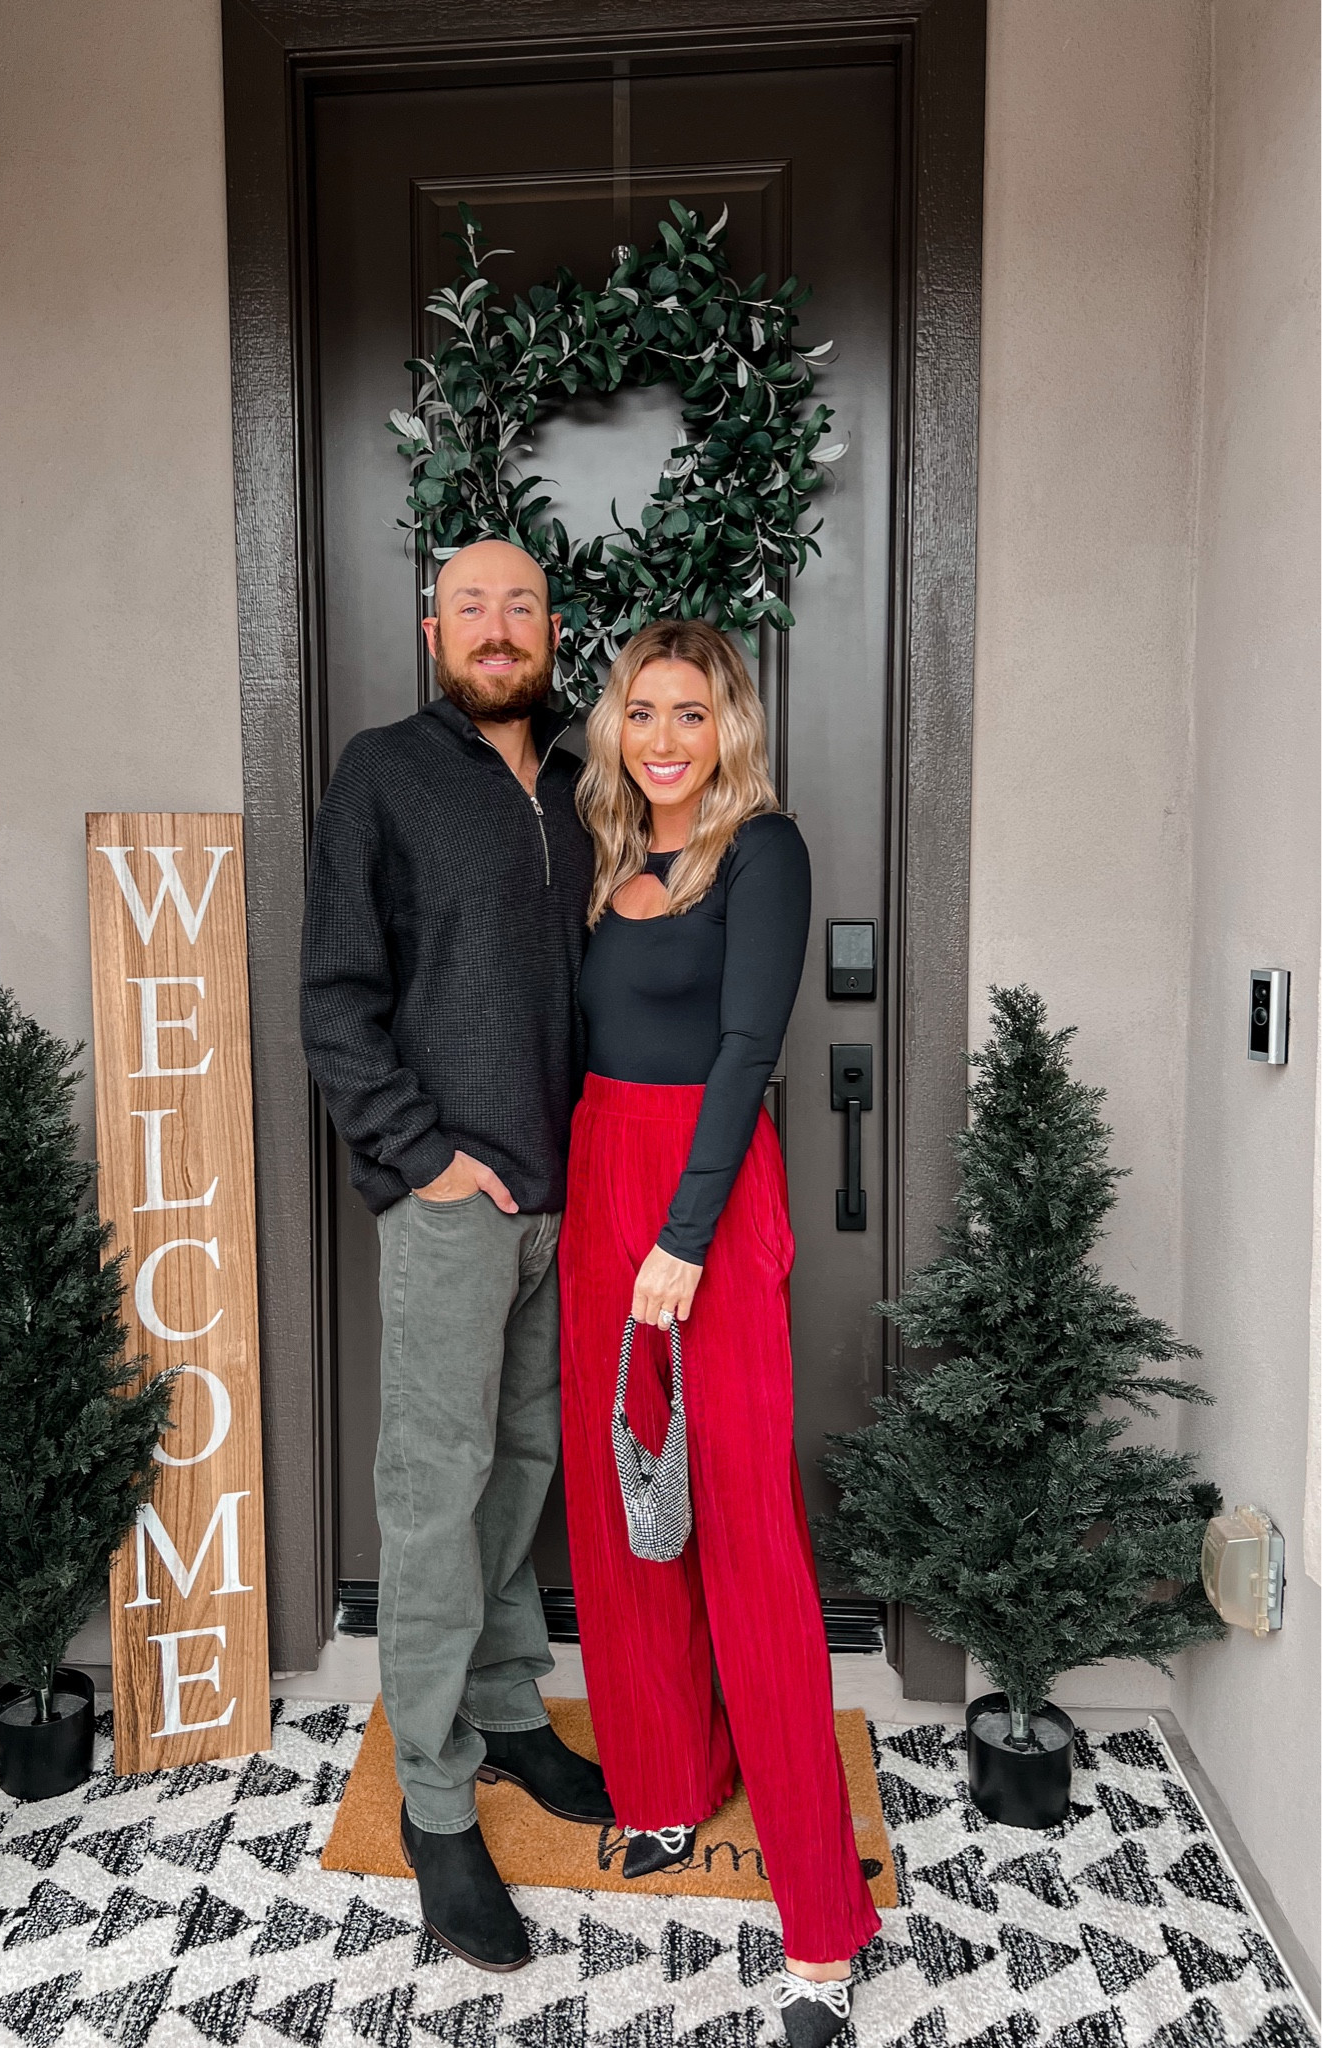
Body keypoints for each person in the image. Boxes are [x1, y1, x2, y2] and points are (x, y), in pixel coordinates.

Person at [558, 619, 880, 2045]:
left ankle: (819, 1917)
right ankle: (662, 1791)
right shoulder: (604, 869)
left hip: (705, 1197)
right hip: (592, 1184)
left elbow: (749, 1050)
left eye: (691, 711)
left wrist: (681, 1243)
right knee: (627, 1516)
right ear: (616, 729)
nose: (667, 737)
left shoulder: (764, 851)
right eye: (643, 711)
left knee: (744, 1527)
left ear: (726, 727)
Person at [299, 537, 611, 1973]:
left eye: (522, 606)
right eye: (472, 605)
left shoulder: (576, 778)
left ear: (552, 628)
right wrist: (423, 1159)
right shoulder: (383, 771)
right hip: (451, 1204)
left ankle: (501, 1716)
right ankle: (433, 1804)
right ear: (432, 626)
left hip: (566, 1203)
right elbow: (335, 997)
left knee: (521, 1469)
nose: (498, 629)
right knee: (433, 1496)